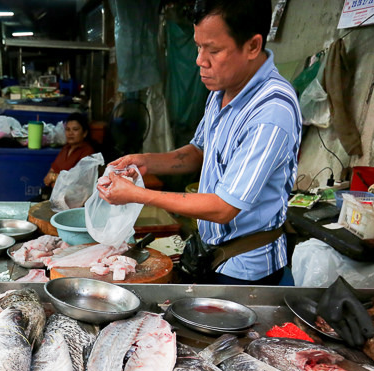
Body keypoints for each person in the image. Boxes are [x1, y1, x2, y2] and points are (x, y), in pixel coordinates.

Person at [96, 0, 301, 285]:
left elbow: (224, 207)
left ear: (253, 46)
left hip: (246, 270)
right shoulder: (222, 90)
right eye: (198, 46)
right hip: (212, 253)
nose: (200, 61)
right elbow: (197, 152)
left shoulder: (272, 112)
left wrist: (136, 195)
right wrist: (145, 161)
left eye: (214, 50)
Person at [43, 113, 96, 189]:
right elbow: (50, 173)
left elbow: (78, 180)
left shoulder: (87, 152)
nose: (70, 133)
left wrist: (54, 177)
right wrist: (53, 177)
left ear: (84, 133)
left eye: (75, 129)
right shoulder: (66, 148)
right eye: (68, 129)